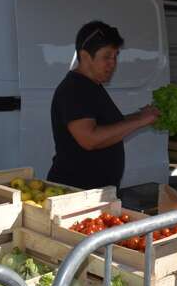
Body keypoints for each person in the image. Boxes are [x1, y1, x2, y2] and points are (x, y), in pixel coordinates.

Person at [47, 21, 160, 190]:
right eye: (107, 56)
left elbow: (107, 127)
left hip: (95, 191)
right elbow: (89, 139)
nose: (113, 63)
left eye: (115, 56)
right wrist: (138, 121)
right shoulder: (74, 89)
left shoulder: (91, 85)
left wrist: (140, 116)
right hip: (76, 191)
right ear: (85, 56)